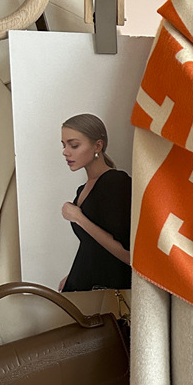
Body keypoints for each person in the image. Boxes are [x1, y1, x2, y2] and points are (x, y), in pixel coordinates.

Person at [59, 113, 132, 292]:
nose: (65, 152)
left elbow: (128, 254)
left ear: (97, 145)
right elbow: (91, 247)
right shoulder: (82, 190)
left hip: (107, 293)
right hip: (81, 286)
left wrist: (79, 218)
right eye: (64, 145)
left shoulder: (116, 182)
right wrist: (73, 275)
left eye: (74, 145)